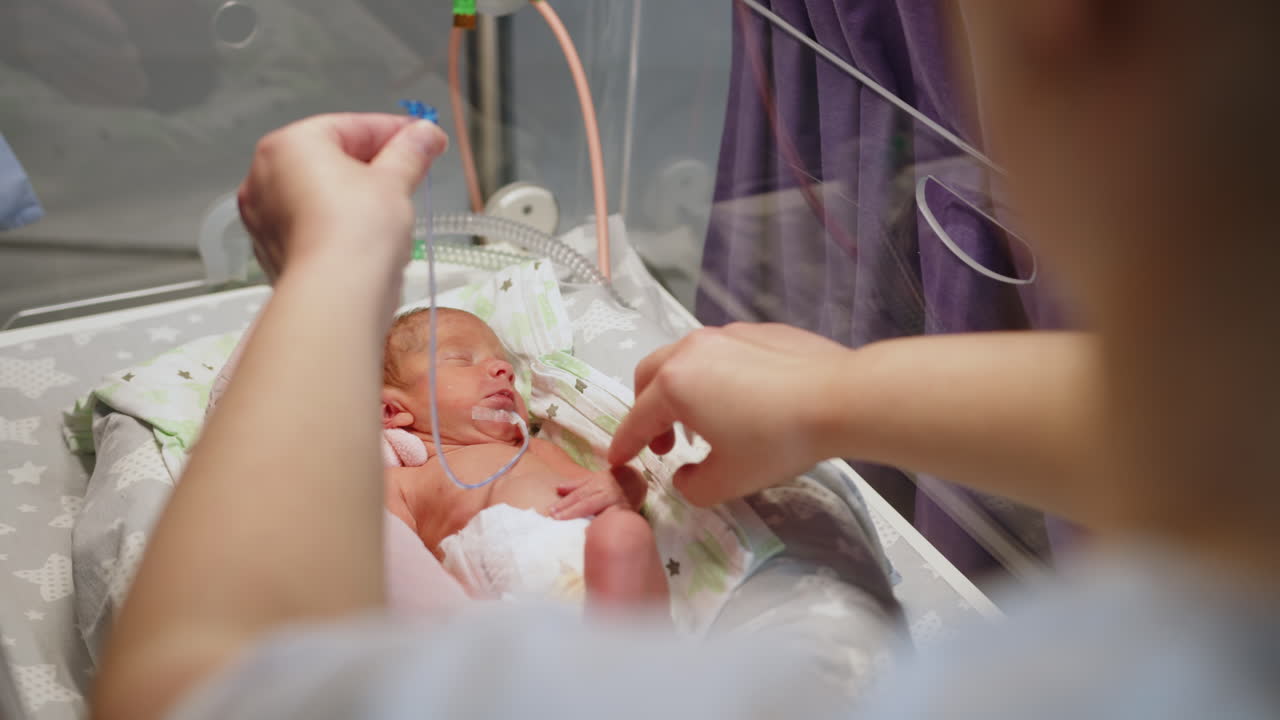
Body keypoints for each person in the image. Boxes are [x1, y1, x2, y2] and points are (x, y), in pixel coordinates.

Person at [92, 1, 1280, 719]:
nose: (494, 369)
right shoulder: (401, 445)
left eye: (490, 349)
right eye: (455, 352)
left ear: (1062, 24)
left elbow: (193, 689)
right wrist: (832, 392)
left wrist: (331, 269)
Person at [380, 307, 667, 609]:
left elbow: (602, 488)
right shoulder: (403, 482)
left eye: (507, 369)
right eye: (461, 360)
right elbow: (398, 565)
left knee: (625, 533)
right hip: (499, 601)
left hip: (592, 577)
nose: (502, 371)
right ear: (392, 411)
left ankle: (631, 646)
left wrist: (625, 485)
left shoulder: (536, 451)